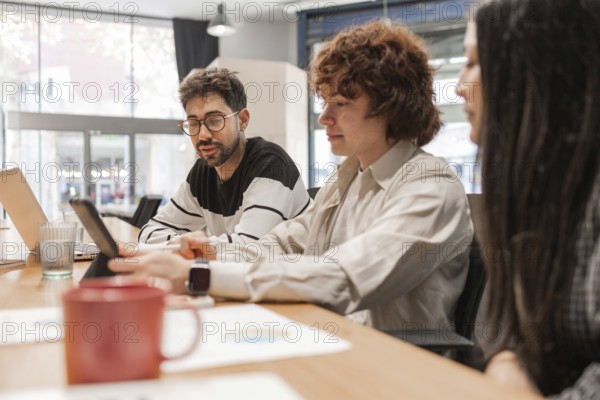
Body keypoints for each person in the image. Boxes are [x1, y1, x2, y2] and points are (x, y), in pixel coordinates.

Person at [111, 20, 473, 332]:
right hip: (329, 336)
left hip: (394, 363)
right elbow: (279, 245)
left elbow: (342, 278)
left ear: (391, 106)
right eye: (324, 102)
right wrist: (207, 252)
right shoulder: (347, 178)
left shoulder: (430, 186)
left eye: (341, 104)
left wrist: (198, 276)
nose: (324, 118)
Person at [457, 0, 600, 397]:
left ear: (535, 69)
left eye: (472, 61)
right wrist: (507, 362)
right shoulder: (539, 186)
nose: (457, 85)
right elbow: (510, 332)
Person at [138, 68, 311, 245]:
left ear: (242, 120)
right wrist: (183, 244)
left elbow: (250, 248)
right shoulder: (203, 172)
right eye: (193, 124)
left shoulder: (271, 164)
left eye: (214, 120)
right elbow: (149, 231)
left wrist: (194, 246)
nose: (202, 135)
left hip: (300, 270)